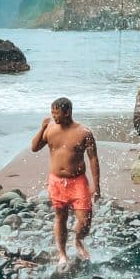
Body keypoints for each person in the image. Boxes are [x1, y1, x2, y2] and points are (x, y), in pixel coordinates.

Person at [31, 97, 100, 265]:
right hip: (56, 181)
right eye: (52, 113)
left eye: (56, 113)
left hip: (78, 182)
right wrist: (42, 128)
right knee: (60, 217)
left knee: (85, 220)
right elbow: (34, 148)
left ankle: (78, 240)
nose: (54, 116)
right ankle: (62, 254)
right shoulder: (50, 129)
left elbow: (93, 159)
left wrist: (96, 186)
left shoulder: (84, 132)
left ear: (67, 112)